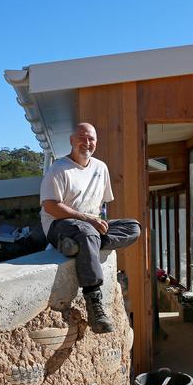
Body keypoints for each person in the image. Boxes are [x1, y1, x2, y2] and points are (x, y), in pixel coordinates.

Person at [40, 123, 141, 333]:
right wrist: (88, 220)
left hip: (90, 225)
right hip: (59, 224)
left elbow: (102, 206)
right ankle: (95, 305)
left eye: (91, 139)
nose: (86, 143)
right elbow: (50, 206)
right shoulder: (58, 169)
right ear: (71, 141)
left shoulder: (100, 167)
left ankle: (80, 245)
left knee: (133, 227)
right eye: (81, 138)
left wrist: (99, 223)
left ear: (96, 141)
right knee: (86, 232)